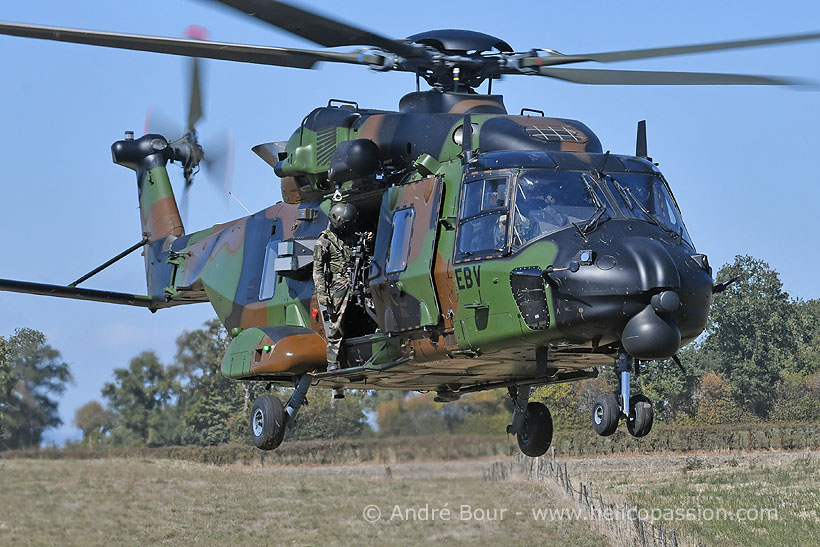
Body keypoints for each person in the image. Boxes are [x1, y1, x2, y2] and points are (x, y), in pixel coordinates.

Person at [313, 201, 359, 375]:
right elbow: (317, 270)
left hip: (355, 279)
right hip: (338, 285)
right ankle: (332, 362)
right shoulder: (323, 241)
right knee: (336, 324)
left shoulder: (349, 235)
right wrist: (322, 293)